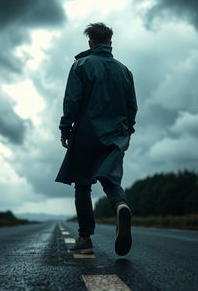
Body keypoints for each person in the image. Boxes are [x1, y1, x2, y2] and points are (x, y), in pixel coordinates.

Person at [55, 22, 137, 256]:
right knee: (111, 179)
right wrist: (128, 133)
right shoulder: (125, 71)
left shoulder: (81, 65)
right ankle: (120, 206)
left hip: (87, 133)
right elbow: (132, 106)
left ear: (90, 42)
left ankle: (84, 239)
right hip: (116, 135)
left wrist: (65, 129)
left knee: (82, 184)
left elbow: (72, 101)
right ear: (111, 43)